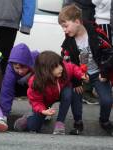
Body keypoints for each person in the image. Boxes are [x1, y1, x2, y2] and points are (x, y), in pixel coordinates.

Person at [58, 4, 113, 135]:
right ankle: (78, 122)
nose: (64, 30)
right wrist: (76, 81)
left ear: (77, 21)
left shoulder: (96, 34)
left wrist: (104, 72)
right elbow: (67, 64)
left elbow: (110, 53)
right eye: (62, 27)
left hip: (98, 74)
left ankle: (104, 121)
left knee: (107, 100)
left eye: (66, 26)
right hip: (80, 76)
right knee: (76, 95)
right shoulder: (68, 43)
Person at [14, 51, 88, 135]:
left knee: (69, 93)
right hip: (45, 101)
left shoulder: (64, 70)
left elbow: (73, 67)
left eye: (60, 64)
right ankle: (27, 119)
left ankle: (60, 123)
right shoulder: (35, 82)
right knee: (33, 127)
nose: (61, 68)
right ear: (46, 70)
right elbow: (36, 101)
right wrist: (43, 111)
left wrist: (81, 75)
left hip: (61, 93)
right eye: (56, 66)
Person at [0, 43, 39, 118]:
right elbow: (7, 90)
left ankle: (42, 110)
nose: (20, 71)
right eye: (17, 68)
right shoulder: (10, 68)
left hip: (34, 84)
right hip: (19, 86)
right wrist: (4, 114)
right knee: (3, 88)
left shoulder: (38, 60)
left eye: (23, 67)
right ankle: (2, 111)